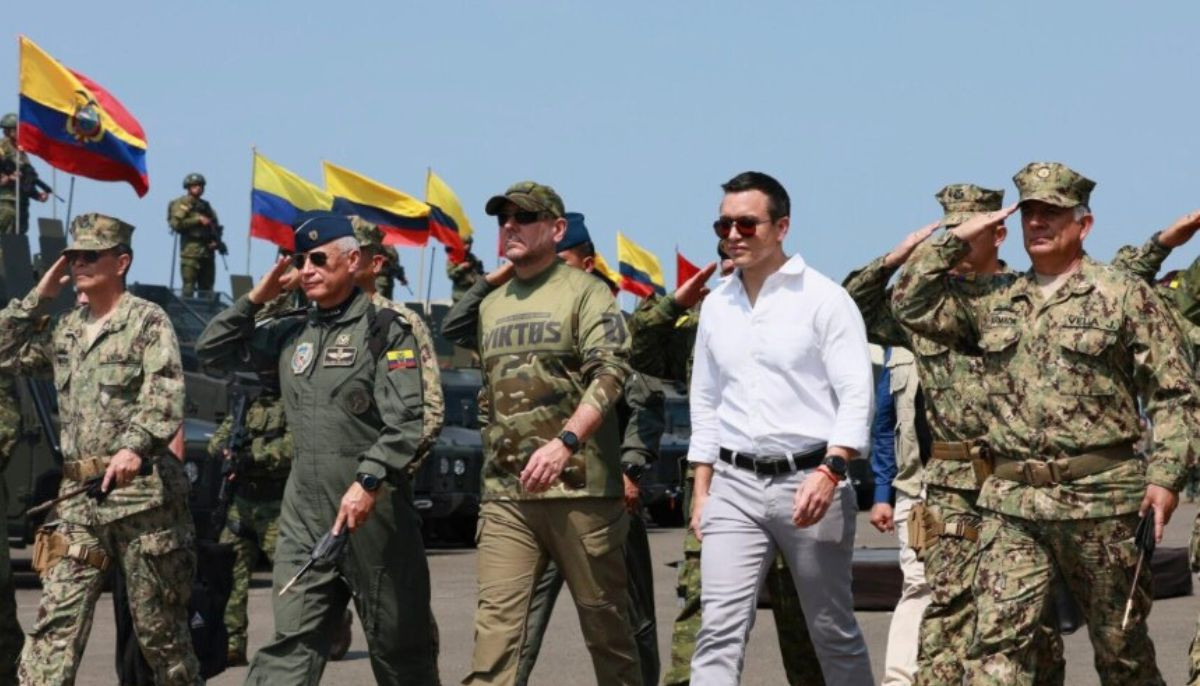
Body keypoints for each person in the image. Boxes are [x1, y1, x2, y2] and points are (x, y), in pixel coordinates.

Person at [891, 162, 1199, 685]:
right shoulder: (993, 298)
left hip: (1101, 501)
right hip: (1012, 504)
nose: (1037, 223)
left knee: (1121, 653)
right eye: (1029, 213)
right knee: (996, 651)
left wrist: (1166, 477)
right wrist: (954, 240)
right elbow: (908, 303)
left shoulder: (1123, 294)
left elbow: (1175, 392)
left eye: (1051, 213)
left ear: (1084, 224)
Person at [195, 211, 442, 685]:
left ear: (353, 261)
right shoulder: (290, 331)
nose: (306, 269)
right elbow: (212, 350)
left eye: (318, 259)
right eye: (299, 260)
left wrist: (369, 480)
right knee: (290, 643)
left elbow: (407, 420)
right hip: (304, 514)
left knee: (400, 649)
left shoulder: (386, 329)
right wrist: (257, 298)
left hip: (373, 512)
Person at [843, 183, 1066, 685]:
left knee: (1031, 617)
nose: (957, 242)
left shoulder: (1029, 296)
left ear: (998, 234)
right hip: (948, 485)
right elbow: (850, 308)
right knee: (943, 606)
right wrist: (897, 257)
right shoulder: (924, 306)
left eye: (969, 232)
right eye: (950, 234)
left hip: (1020, 480)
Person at [441, 181, 640, 686]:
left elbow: (609, 373)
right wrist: (496, 275)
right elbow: (452, 327)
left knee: (608, 634)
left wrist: (566, 442)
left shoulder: (587, 292)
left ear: (556, 228)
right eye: (503, 219)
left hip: (581, 492)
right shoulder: (492, 303)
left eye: (524, 217)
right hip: (506, 494)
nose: (510, 225)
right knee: (494, 641)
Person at [687, 171, 874, 685]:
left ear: (782, 227)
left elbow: (857, 394)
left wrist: (831, 471)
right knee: (717, 631)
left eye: (747, 224)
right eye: (724, 225)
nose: (733, 235)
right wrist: (702, 492)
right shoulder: (717, 305)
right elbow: (705, 401)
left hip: (810, 482)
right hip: (733, 487)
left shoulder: (824, 299)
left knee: (830, 628)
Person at [0, 213, 201, 684]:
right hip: (79, 502)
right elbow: (4, 349)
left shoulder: (147, 321)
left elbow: (164, 394)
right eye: (73, 256)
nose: (79, 263)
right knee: (53, 630)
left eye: (91, 255)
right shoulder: (67, 328)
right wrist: (40, 294)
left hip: (142, 502)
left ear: (121, 262)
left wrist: (134, 447)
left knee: (160, 636)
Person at [628, 243, 826, 686]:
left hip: (795, 485)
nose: (736, 265)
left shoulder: (807, 311)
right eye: (728, 258)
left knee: (806, 621)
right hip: (719, 489)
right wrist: (674, 304)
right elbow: (639, 351)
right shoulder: (704, 321)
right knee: (704, 617)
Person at [210, 369, 293, 667]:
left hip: (277, 505)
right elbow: (216, 440)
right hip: (242, 504)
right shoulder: (243, 407)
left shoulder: (292, 401)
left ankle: (329, 624)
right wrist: (227, 452)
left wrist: (254, 457)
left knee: (290, 577)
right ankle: (233, 643)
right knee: (231, 574)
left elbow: (293, 446)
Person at [866, 346, 931, 686]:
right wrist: (882, 495)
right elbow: (884, 424)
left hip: (978, 493)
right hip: (918, 493)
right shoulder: (900, 352)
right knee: (919, 583)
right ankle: (899, 681)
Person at [168, 173, 222, 297]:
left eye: (200, 185)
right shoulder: (183, 203)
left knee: (207, 290)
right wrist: (197, 220)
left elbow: (215, 227)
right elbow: (176, 224)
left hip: (207, 253)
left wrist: (216, 242)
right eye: (195, 185)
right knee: (188, 287)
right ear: (188, 187)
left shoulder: (206, 206)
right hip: (190, 253)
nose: (198, 188)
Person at [0, 113, 50, 235]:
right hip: (6, 197)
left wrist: (37, 195)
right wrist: (6, 178)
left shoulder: (21, 151)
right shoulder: (2, 147)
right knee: (5, 219)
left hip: (21, 200)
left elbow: (27, 180)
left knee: (20, 231)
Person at [446, 235, 485, 303]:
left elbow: (480, 272)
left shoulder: (473, 258)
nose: (468, 246)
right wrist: (461, 267)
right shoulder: (454, 257)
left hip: (473, 294)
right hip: (460, 295)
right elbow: (451, 274)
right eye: (466, 243)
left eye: (470, 244)